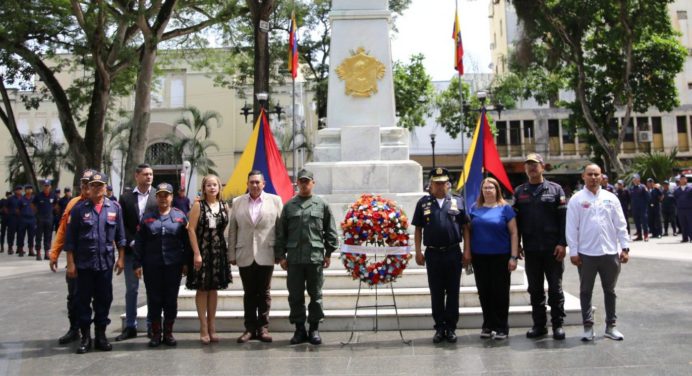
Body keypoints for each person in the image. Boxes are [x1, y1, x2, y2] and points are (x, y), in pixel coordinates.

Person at [275, 168, 339, 346]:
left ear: (313, 183)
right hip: (294, 259)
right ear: (297, 183)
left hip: (315, 258)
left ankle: (314, 328)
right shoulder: (289, 206)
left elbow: (331, 231)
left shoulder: (321, 204)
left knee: (316, 294)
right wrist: (281, 256)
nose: (304, 184)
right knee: (295, 296)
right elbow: (281, 233)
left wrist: (328, 254)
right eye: (301, 181)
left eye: (307, 181)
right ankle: (299, 329)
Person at [566, 164, 629, 341]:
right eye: (590, 174)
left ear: (602, 177)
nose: (593, 177)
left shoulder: (611, 198)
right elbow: (571, 228)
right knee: (586, 290)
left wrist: (625, 248)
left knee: (610, 290)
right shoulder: (576, 199)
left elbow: (621, 224)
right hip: (586, 254)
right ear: (583, 176)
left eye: (597, 174)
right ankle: (588, 327)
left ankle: (611, 326)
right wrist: (574, 251)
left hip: (610, 252)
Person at [65, 171, 126, 354]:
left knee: (104, 300)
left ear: (106, 188)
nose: (96, 188)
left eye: (100, 185)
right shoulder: (78, 209)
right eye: (93, 185)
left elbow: (120, 236)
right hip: (84, 264)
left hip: (105, 264)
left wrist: (121, 258)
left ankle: (101, 335)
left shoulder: (114, 208)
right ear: (88, 188)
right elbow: (70, 240)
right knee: (82, 301)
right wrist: (70, 263)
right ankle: (85, 337)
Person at [512, 153, 567, 340]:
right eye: (528, 165)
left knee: (555, 289)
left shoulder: (556, 189)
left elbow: (563, 220)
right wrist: (517, 244)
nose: (532, 168)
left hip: (553, 249)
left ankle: (558, 325)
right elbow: (515, 222)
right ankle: (539, 325)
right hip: (531, 249)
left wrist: (562, 243)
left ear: (543, 167)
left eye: (535, 164)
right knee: (535, 289)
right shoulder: (520, 191)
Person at [412, 167, 467, 343]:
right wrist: (418, 251)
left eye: (443, 182)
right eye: (437, 183)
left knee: (453, 292)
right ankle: (439, 327)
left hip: (453, 252)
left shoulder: (458, 201)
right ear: (431, 185)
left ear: (448, 184)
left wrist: (467, 251)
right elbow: (418, 229)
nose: (440, 186)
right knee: (436, 292)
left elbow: (466, 228)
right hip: (433, 254)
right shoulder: (423, 203)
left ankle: (450, 328)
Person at [228, 170, 283, 343]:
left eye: (258, 182)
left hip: (266, 252)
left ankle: (263, 328)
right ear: (247, 183)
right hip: (244, 252)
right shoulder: (237, 202)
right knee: (249, 293)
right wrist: (231, 253)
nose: (254, 185)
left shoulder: (275, 201)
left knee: (264, 292)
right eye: (251, 182)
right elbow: (232, 230)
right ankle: (250, 328)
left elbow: (280, 229)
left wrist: (280, 253)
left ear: (263, 184)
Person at [133, 182, 190, 347]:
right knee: (154, 300)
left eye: (167, 195)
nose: (163, 198)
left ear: (172, 197)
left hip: (173, 266)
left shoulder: (180, 216)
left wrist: (186, 262)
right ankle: (156, 334)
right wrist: (137, 263)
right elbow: (139, 242)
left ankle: (169, 333)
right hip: (152, 266)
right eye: (160, 195)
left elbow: (186, 243)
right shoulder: (147, 217)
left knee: (171, 300)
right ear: (156, 197)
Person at [466, 177, 519, 340]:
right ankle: (488, 324)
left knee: (500, 292)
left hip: (501, 256)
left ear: (497, 190)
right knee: (484, 292)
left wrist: (513, 256)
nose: (488, 190)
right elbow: (467, 231)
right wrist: (467, 252)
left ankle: (502, 326)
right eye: (485, 188)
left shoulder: (505, 208)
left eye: (491, 188)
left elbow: (514, 233)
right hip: (480, 257)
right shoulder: (475, 208)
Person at [49, 169, 94, 345]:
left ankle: (95, 332)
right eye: (83, 182)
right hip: (74, 259)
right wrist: (54, 253)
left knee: (97, 298)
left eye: (88, 182)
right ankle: (74, 329)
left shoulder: (105, 204)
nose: (84, 185)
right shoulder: (73, 204)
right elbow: (62, 230)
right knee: (74, 297)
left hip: (96, 260)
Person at [186, 174, 232, 344]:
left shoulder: (224, 206)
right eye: (209, 185)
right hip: (202, 251)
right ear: (204, 188)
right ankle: (203, 326)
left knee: (214, 289)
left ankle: (212, 325)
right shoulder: (198, 205)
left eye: (215, 185)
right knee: (202, 288)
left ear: (219, 187)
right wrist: (197, 253)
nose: (212, 188)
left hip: (218, 252)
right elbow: (191, 229)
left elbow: (224, 228)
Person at [116, 164, 157, 341]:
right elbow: (121, 224)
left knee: (151, 289)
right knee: (131, 289)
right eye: (145, 174)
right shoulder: (125, 198)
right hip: (132, 252)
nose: (149, 177)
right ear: (137, 176)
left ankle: (151, 325)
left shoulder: (158, 196)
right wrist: (130, 242)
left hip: (151, 251)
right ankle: (130, 326)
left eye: (151, 174)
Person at [34, 179, 58, 260]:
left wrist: (51, 210)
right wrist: (37, 213)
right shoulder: (38, 195)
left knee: (48, 236)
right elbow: (33, 205)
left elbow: (55, 204)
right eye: (45, 186)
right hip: (40, 218)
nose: (46, 187)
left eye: (48, 186)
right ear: (43, 187)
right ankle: (38, 252)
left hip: (49, 218)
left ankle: (47, 253)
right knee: (38, 236)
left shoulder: (53, 195)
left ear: (50, 187)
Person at [16, 184, 37, 257]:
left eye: (30, 189)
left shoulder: (34, 198)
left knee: (31, 235)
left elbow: (36, 208)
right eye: (27, 189)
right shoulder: (21, 199)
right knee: (21, 235)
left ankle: (31, 250)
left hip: (32, 219)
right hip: (23, 219)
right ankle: (20, 250)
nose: (29, 190)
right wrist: (22, 215)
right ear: (25, 190)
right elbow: (17, 209)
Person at [629, 174, 649, 241]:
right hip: (635, 207)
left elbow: (647, 197)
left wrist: (646, 205)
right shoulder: (631, 188)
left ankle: (646, 235)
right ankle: (639, 236)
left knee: (644, 222)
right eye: (633, 179)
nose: (634, 180)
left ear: (639, 179)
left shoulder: (643, 187)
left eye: (635, 178)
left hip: (642, 208)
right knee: (637, 222)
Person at [674, 174, 692, 243]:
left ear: (686, 180)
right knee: (683, 224)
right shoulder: (677, 190)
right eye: (681, 179)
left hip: (689, 209)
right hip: (680, 209)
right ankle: (685, 238)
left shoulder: (690, 188)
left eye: (684, 179)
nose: (682, 180)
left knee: (690, 223)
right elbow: (675, 199)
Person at [5, 185, 23, 255]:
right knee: (11, 234)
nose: (19, 191)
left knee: (20, 234)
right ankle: (10, 248)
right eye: (17, 190)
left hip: (21, 218)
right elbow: (5, 207)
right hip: (12, 218)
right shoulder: (11, 198)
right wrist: (9, 214)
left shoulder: (23, 198)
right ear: (15, 191)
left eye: (20, 190)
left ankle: (19, 248)